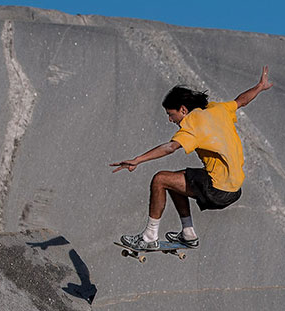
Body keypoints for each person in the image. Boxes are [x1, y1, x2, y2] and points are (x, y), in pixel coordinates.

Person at [110, 67, 274, 249]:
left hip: (218, 189)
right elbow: (241, 101)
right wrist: (259, 87)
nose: (171, 120)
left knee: (160, 180)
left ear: (183, 109)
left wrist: (138, 159)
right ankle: (188, 234)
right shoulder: (217, 109)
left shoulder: (192, 123)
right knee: (173, 180)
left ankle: (149, 237)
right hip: (234, 189)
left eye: (171, 115)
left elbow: (170, 147)